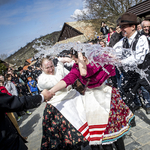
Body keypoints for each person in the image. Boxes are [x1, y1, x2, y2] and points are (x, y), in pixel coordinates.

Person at [47, 49, 134, 150]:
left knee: (114, 129)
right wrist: (51, 91)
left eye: (76, 61)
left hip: (107, 96)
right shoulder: (77, 67)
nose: (75, 63)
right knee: (102, 133)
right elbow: (68, 79)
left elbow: (85, 72)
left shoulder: (98, 61)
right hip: (92, 100)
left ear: (83, 58)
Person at [38, 57, 88, 150]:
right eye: (47, 68)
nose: (51, 69)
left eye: (52, 66)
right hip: (58, 105)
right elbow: (60, 81)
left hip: (72, 97)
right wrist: (60, 63)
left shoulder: (59, 69)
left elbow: (70, 77)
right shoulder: (41, 79)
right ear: (41, 68)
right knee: (68, 134)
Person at [113, 13, 150, 114]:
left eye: (124, 27)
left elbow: (138, 59)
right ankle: (130, 121)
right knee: (127, 98)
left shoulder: (142, 38)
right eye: (121, 27)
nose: (122, 29)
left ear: (133, 27)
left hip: (145, 74)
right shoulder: (122, 41)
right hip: (133, 76)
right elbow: (113, 50)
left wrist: (120, 61)